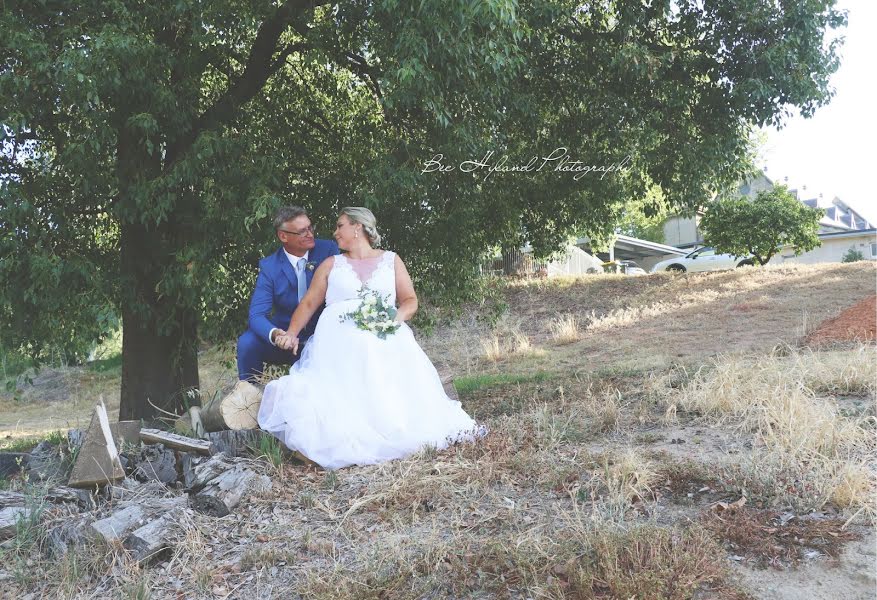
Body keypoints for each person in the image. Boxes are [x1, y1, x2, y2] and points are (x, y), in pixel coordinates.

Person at [257, 207, 481, 469]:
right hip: (338, 343)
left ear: (357, 227)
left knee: (378, 353)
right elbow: (308, 304)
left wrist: (392, 320)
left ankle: (391, 424)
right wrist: (292, 334)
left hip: (384, 333)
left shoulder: (391, 260)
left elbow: (410, 301)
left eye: (339, 226)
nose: (334, 232)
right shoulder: (331, 264)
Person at [237, 206, 339, 382]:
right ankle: (248, 396)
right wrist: (277, 334)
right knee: (247, 342)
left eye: (310, 227)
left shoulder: (328, 250)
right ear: (283, 236)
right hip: (285, 340)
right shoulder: (270, 267)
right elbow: (256, 315)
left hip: (323, 336)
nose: (309, 234)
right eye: (302, 231)